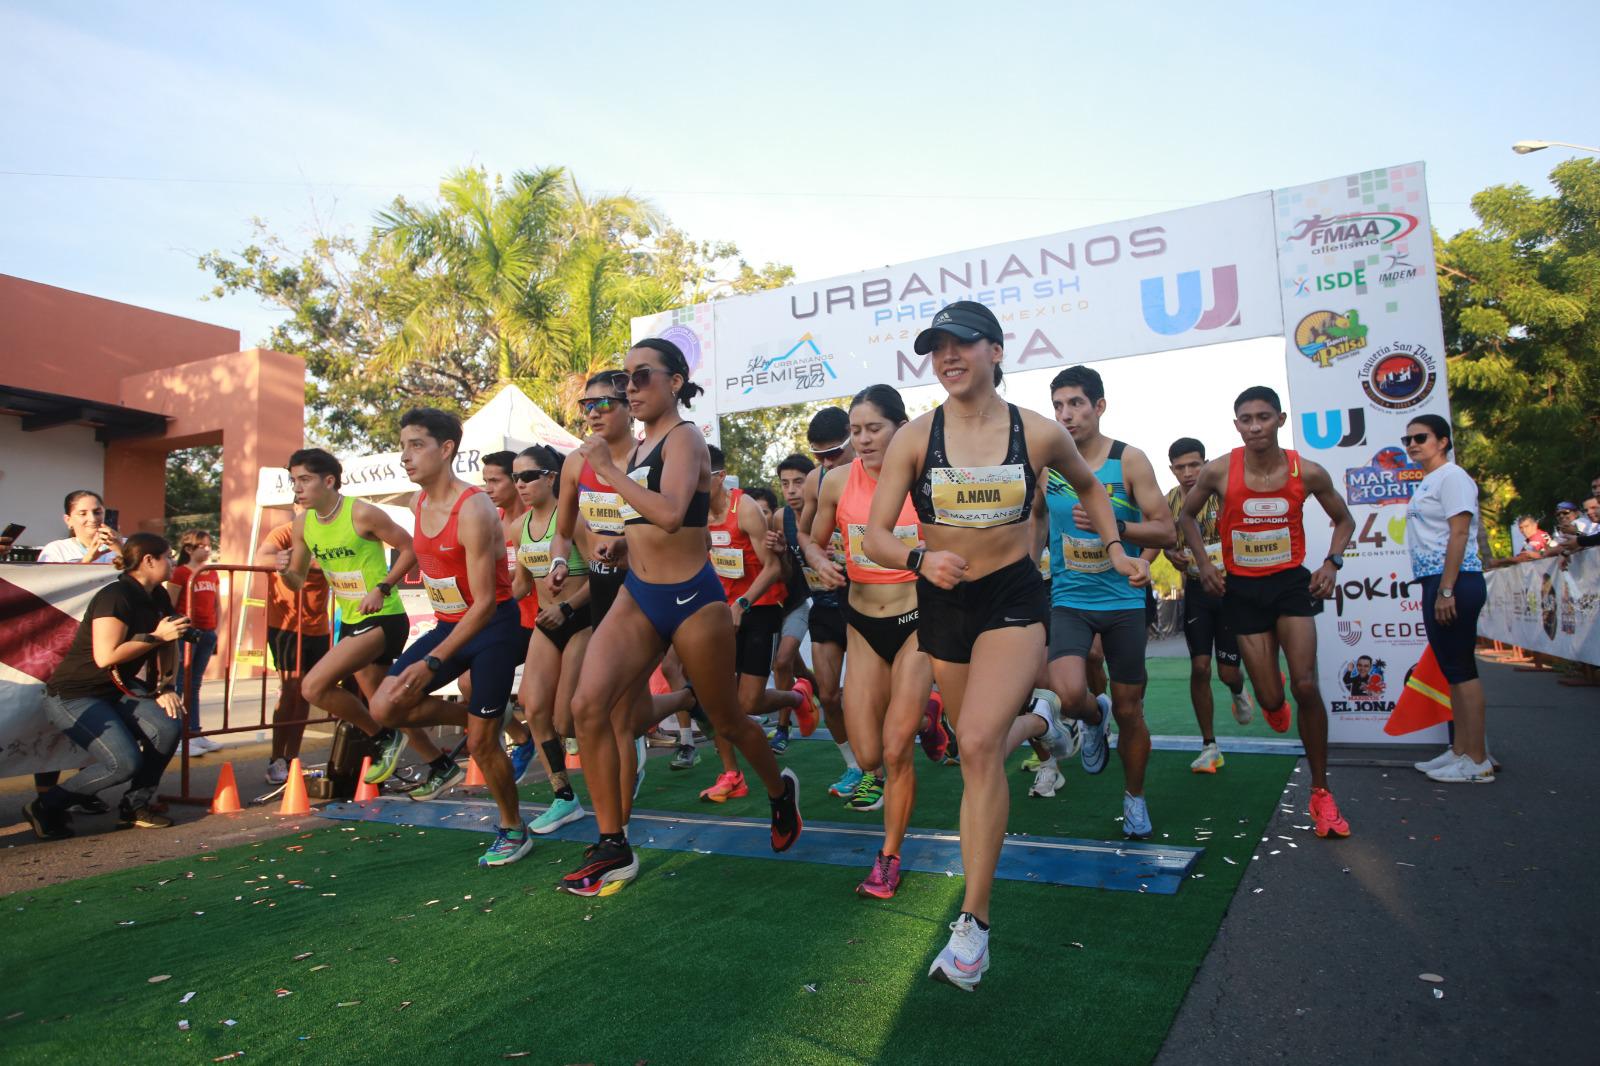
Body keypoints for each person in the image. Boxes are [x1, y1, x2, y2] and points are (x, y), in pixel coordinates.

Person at [864, 302, 1145, 989]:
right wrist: (915, 561)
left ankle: (973, 927)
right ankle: (1048, 723)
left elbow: (1089, 486)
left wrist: (1114, 547)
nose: (949, 357)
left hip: (1015, 601)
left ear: (995, 350)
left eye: (962, 344)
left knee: (982, 744)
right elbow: (875, 536)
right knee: (972, 746)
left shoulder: (1038, 432)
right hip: (943, 602)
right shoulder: (913, 438)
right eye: (938, 348)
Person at [557, 339, 801, 896]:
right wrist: (620, 543)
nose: (630, 388)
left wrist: (604, 470)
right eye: (626, 379)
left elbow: (669, 514)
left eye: (642, 377)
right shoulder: (641, 450)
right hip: (639, 593)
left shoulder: (686, 438)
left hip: (693, 598)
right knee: (586, 706)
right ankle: (612, 843)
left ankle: (779, 790)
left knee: (730, 719)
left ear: (675, 382)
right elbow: (650, 519)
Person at [1179, 385, 1357, 840]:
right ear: (1236, 424)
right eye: (1246, 419)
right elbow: (1186, 518)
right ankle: (1269, 696)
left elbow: (1344, 520)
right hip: (1242, 591)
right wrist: (1204, 564)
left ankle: (1321, 793)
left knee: (1305, 684)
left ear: (1279, 419)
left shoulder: (1307, 471)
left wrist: (1332, 563)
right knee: (1275, 699)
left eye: (1263, 417)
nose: (1255, 426)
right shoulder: (1220, 469)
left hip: (1290, 587)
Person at [367, 408, 530, 868]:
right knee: (384, 705)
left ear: (446, 449)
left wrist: (434, 663)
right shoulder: (418, 505)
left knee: (482, 745)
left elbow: (482, 605)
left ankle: (513, 828)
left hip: (492, 626)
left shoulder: (474, 508)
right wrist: (383, 586)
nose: (405, 456)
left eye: (416, 445)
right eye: (402, 446)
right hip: (448, 624)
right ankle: (480, 720)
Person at [806, 384, 940, 899]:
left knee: (894, 748)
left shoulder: (926, 481)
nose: (862, 439)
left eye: (873, 429)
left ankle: (888, 858)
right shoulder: (836, 481)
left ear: (899, 427)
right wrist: (819, 561)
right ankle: (930, 716)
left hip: (916, 623)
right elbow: (812, 540)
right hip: (861, 624)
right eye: (855, 431)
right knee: (866, 756)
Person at [1040, 366, 1175, 835]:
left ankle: (1134, 798)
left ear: (1099, 406)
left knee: (1130, 709)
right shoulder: (1047, 466)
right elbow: (1032, 527)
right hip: (1069, 596)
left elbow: (1166, 528)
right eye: (1058, 406)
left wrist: (1114, 528)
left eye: (1075, 403)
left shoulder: (1130, 460)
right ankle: (1091, 720)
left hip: (1123, 599)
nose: (1066, 415)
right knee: (1069, 692)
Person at [276, 449, 437, 792]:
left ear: (329, 481)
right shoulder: (303, 523)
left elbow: (409, 548)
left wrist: (382, 587)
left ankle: (382, 738)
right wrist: (283, 571)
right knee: (388, 703)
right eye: (294, 481)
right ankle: (440, 764)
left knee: (312, 687)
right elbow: (297, 579)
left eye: (304, 480)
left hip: (384, 616)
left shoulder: (361, 513)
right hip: (352, 619)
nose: (297, 489)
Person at [25, 533, 190, 839]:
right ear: (148, 561)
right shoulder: (116, 595)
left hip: (117, 689)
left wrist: (167, 686)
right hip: (74, 695)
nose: (173, 562)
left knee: (168, 725)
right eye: (168, 556)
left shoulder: (158, 596)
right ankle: (46, 806)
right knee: (123, 763)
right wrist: (157, 637)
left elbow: (171, 641)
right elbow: (106, 656)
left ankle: (135, 806)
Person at [698, 447, 818, 801]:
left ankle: (797, 697)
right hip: (721, 609)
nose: (692, 485)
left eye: (700, 478)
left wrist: (743, 602)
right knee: (716, 698)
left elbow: (774, 567)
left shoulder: (745, 509)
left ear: (719, 477)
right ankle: (731, 774)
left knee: (748, 702)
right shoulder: (692, 511)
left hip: (759, 607)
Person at [1402, 415, 1492, 783]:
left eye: (1420, 438)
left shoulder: (1452, 477)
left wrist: (1447, 589)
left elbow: (1459, 533)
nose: (1411, 445)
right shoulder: (1430, 481)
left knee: (1462, 670)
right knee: (1452, 669)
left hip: (1454, 580)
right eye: (1406, 439)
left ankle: (1478, 759)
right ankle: (1461, 750)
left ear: (1442, 441)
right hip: (1438, 580)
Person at [511, 444, 593, 834]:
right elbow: (520, 584)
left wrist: (569, 608)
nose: (520, 485)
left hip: (580, 620)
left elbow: (603, 576)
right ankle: (564, 797)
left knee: (567, 720)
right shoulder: (518, 527)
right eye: (515, 478)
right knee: (534, 708)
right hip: (547, 625)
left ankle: (631, 729)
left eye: (528, 476)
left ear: (551, 477)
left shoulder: (573, 517)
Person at [1164, 438, 1256, 773]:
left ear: (1205, 463)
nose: (1188, 473)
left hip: (1231, 591)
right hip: (1196, 591)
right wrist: (1169, 553)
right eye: (1180, 467)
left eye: (1194, 465)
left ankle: (1237, 688)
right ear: (1171, 469)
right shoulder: (1169, 502)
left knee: (1227, 671)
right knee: (1200, 668)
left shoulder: (1224, 492)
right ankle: (1209, 746)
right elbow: (1165, 541)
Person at [793, 408, 865, 795]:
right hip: (827, 596)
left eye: (834, 452)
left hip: (872, 596)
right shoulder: (817, 480)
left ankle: (880, 764)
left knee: (864, 696)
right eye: (819, 455)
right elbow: (805, 535)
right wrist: (819, 558)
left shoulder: (887, 473)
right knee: (829, 694)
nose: (825, 462)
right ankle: (853, 766)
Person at [479, 450, 542, 777]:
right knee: (468, 683)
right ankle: (522, 736)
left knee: (540, 703)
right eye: (484, 481)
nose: (487, 488)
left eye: (494, 480)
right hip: (512, 621)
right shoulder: (492, 524)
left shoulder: (539, 516)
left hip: (547, 619)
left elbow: (521, 583)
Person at [255, 519, 331, 782]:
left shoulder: (327, 531)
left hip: (318, 626)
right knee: (290, 690)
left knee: (307, 692)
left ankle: (292, 758)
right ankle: (276, 758)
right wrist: (287, 560)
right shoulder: (283, 531)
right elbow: (261, 556)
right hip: (286, 625)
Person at [765, 456, 821, 755]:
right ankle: (814, 699)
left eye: (798, 482)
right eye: (785, 483)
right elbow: (782, 571)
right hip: (786, 602)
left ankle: (785, 727)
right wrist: (781, 553)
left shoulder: (827, 510)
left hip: (820, 601)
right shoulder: (779, 518)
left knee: (784, 662)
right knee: (790, 665)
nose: (791, 490)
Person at [168, 529, 221, 758]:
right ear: (189, 549)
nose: (207, 550)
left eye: (209, 545)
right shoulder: (180, 572)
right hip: (187, 633)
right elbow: (170, 603)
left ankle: (195, 731)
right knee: (182, 682)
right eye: (203, 546)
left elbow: (217, 604)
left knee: (195, 684)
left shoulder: (211, 573)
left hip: (207, 633)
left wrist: (216, 629)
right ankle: (179, 736)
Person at [37, 490, 121, 563]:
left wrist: (121, 550)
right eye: (82, 514)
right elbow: (48, 579)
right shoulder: (56, 550)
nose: (93, 519)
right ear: (68, 520)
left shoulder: (126, 544)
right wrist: (86, 560)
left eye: (97, 512)